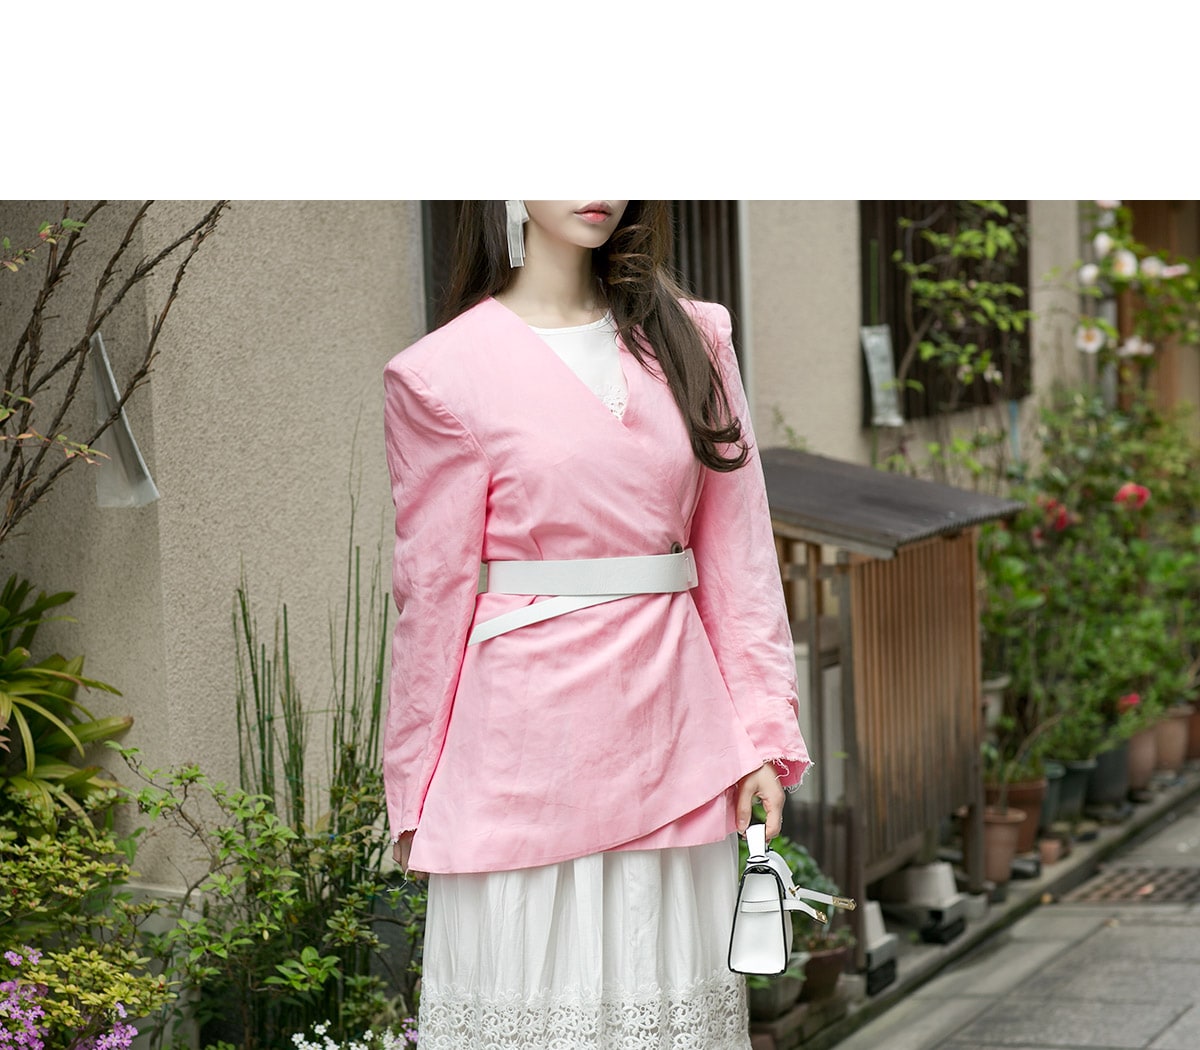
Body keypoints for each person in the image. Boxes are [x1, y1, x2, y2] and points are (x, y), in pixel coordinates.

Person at [381, 200, 811, 1049]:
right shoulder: (441, 373)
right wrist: (412, 785)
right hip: (522, 751)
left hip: (675, 734)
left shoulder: (693, 339)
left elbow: (738, 555)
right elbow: (431, 596)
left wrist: (765, 730)